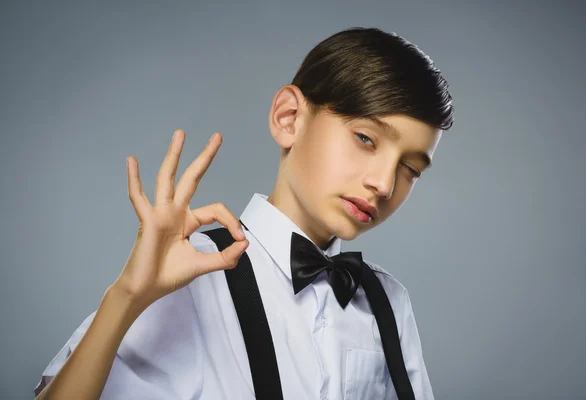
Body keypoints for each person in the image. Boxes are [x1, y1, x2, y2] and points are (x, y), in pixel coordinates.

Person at [34, 26, 454, 399]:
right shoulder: (193, 273)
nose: (384, 183)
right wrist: (127, 296)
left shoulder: (388, 301)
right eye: (365, 138)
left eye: (410, 169)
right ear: (289, 118)